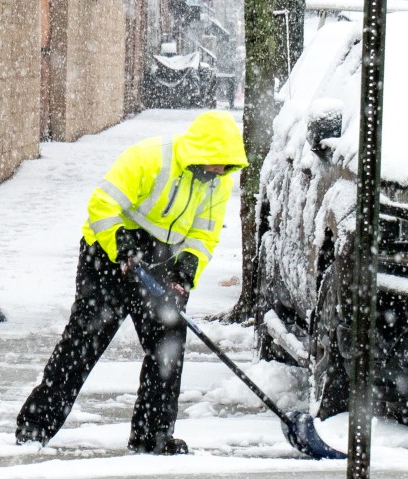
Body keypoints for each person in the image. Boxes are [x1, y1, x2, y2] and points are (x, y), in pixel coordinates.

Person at [15, 111, 248, 454]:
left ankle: (153, 435)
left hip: (161, 263)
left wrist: (186, 271)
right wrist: (122, 246)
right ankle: (35, 426)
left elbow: (204, 234)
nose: (217, 171)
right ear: (197, 152)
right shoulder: (149, 157)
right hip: (107, 257)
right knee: (84, 340)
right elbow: (102, 204)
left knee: (168, 346)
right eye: (214, 164)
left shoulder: (217, 181)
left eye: (224, 166)